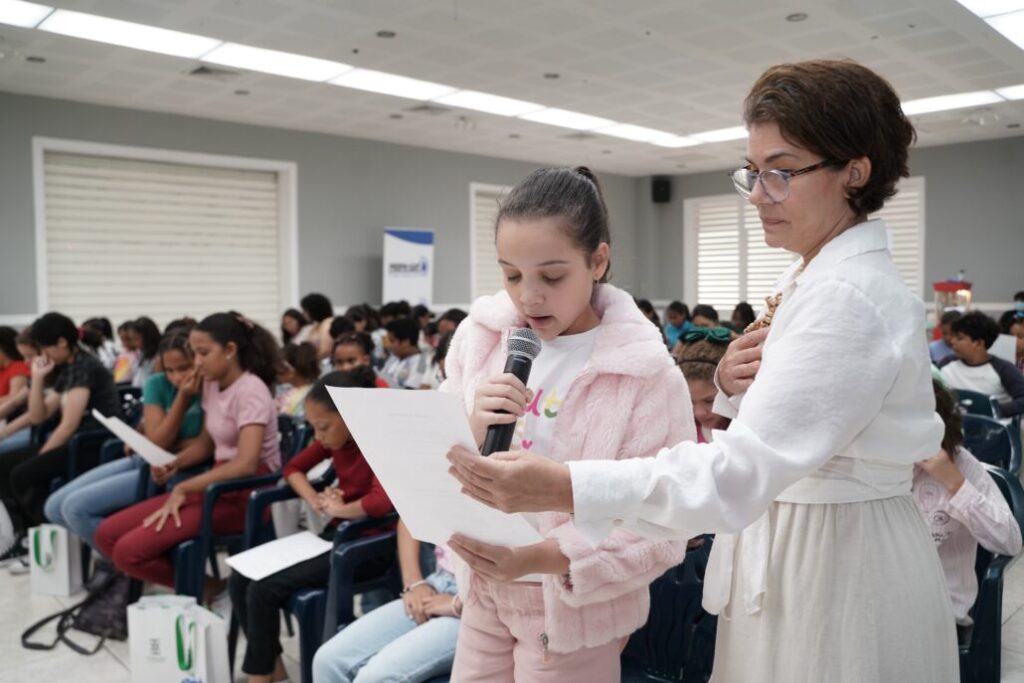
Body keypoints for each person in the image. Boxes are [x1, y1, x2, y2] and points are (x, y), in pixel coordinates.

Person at [447, 60, 961, 682]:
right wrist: (730, 387)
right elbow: (798, 425)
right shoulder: (807, 275)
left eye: (782, 173)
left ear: (854, 171)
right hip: (796, 533)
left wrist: (561, 486)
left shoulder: (846, 297)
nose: (758, 195)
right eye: (753, 172)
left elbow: (739, 471)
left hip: (834, 554)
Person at [442, 166, 690, 681]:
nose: (528, 296)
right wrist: (466, 425)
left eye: (552, 276)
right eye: (511, 275)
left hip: (570, 610)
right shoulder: (482, 339)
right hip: (484, 589)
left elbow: (662, 524)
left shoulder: (643, 373)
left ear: (597, 261)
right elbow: (432, 457)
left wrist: (541, 557)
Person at [95, 312, 281, 599]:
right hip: (214, 487)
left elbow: (246, 464)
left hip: (244, 495)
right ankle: (206, 586)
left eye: (203, 353)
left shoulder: (251, 391)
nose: (196, 363)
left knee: (127, 552)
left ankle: (204, 588)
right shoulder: (212, 384)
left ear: (230, 350)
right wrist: (173, 465)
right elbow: (207, 445)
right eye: (194, 353)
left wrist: (185, 485)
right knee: (106, 535)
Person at [229, 368, 393, 683]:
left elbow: (379, 503)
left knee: (263, 589)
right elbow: (294, 468)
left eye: (323, 428)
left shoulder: (378, 439)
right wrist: (315, 499)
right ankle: (270, 667)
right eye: (314, 428)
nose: (318, 437)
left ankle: (259, 676)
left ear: (349, 416)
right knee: (240, 578)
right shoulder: (337, 439)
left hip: (367, 547)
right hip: (340, 536)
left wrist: (342, 509)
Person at [45, 326, 204, 551]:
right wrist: (156, 436)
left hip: (178, 468)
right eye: (170, 370)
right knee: (54, 507)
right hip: (145, 458)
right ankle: (119, 561)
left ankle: (123, 565)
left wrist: (181, 400)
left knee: (75, 509)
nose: (177, 377)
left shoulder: (209, 386)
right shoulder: (157, 383)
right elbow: (159, 440)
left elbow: (183, 442)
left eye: (184, 368)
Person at [0, 313, 121, 552]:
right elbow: (38, 415)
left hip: (93, 444)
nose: (43, 356)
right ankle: (24, 533)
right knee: (4, 465)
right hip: (75, 441)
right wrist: (36, 379)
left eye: (45, 348)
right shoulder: (70, 367)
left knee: (24, 474)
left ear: (61, 343)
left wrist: (40, 457)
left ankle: (48, 539)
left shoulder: (84, 367)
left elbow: (68, 426)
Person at [914, 379, 1021, 644]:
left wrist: (955, 483)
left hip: (939, 613)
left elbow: (1009, 541)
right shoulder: (870, 469)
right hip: (879, 604)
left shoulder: (960, 464)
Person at [313, 520, 460, 683]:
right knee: (327, 661)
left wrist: (459, 605)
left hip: (482, 607)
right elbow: (409, 516)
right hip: (441, 582)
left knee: (373, 679)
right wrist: (414, 582)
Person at [940, 311, 1024, 418]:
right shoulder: (945, 365)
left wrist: (995, 410)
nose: (952, 341)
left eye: (959, 338)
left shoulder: (1003, 369)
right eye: (953, 337)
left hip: (991, 430)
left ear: (979, 343)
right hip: (955, 428)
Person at [677, 328, 731, 443]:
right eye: (690, 402)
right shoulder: (677, 432)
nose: (699, 413)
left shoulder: (746, 430)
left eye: (709, 401)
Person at [380, 317, 430, 390]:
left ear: (406, 342)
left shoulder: (422, 363)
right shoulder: (393, 358)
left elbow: (410, 391)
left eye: (392, 341)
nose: (389, 345)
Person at [275, 341, 320, 422]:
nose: (276, 374)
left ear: (290, 372)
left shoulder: (312, 394)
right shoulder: (283, 389)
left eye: (280, 371)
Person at [0, 326, 30, 423]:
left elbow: (15, 397)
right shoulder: (2, 370)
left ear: (3, 349)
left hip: (10, 421)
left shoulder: (18, 366)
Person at [301, 292, 336, 360]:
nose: (303, 314)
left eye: (305, 311)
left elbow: (326, 350)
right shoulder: (315, 325)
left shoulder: (327, 323)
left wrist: (311, 362)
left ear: (314, 310)